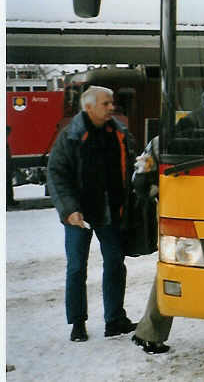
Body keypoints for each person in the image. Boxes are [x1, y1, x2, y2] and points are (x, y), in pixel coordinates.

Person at [46, 85, 138, 342]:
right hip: (79, 215)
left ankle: (114, 320)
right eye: (105, 103)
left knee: (115, 264)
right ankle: (78, 323)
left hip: (110, 212)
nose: (112, 107)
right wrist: (69, 210)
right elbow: (56, 174)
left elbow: (131, 165)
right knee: (77, 268)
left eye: (112, 103)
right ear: (88, 107)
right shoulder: (70, 136)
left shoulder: (119, 133)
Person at [130, 137, 172, 354]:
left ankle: (150, 332)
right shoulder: (164, 140)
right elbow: (141, 182)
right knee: (173, 270)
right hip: (179, 209)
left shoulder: (159, 141)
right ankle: (149, 332)